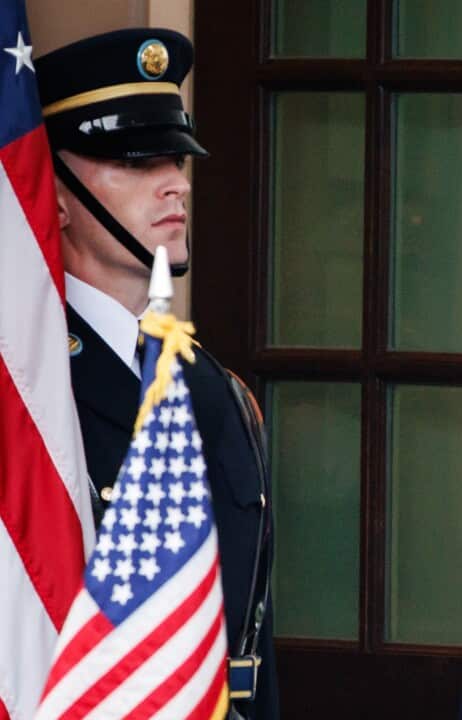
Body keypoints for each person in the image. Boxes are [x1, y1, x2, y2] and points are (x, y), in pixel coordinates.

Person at [36, 28, 277, 719]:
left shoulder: (216, 389)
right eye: (136, 161)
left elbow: (251, 644)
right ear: (55, 197)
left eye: (175, 157)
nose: (176, 182)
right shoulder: (29, 391)